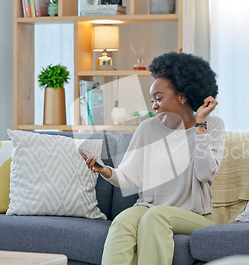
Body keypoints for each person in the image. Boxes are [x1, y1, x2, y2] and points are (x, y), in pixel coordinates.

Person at [82, 52, 225, 265]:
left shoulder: (212, 126)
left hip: (194, 215)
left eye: (159, 98)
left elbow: (204, 173)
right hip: (149, 207)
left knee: (156, 217)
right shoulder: (147, 129)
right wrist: (105, 171)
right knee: (122, 221)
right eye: (152, 100)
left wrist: (200, 123)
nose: (154, 106)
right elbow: (128, 178)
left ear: (182, 96)